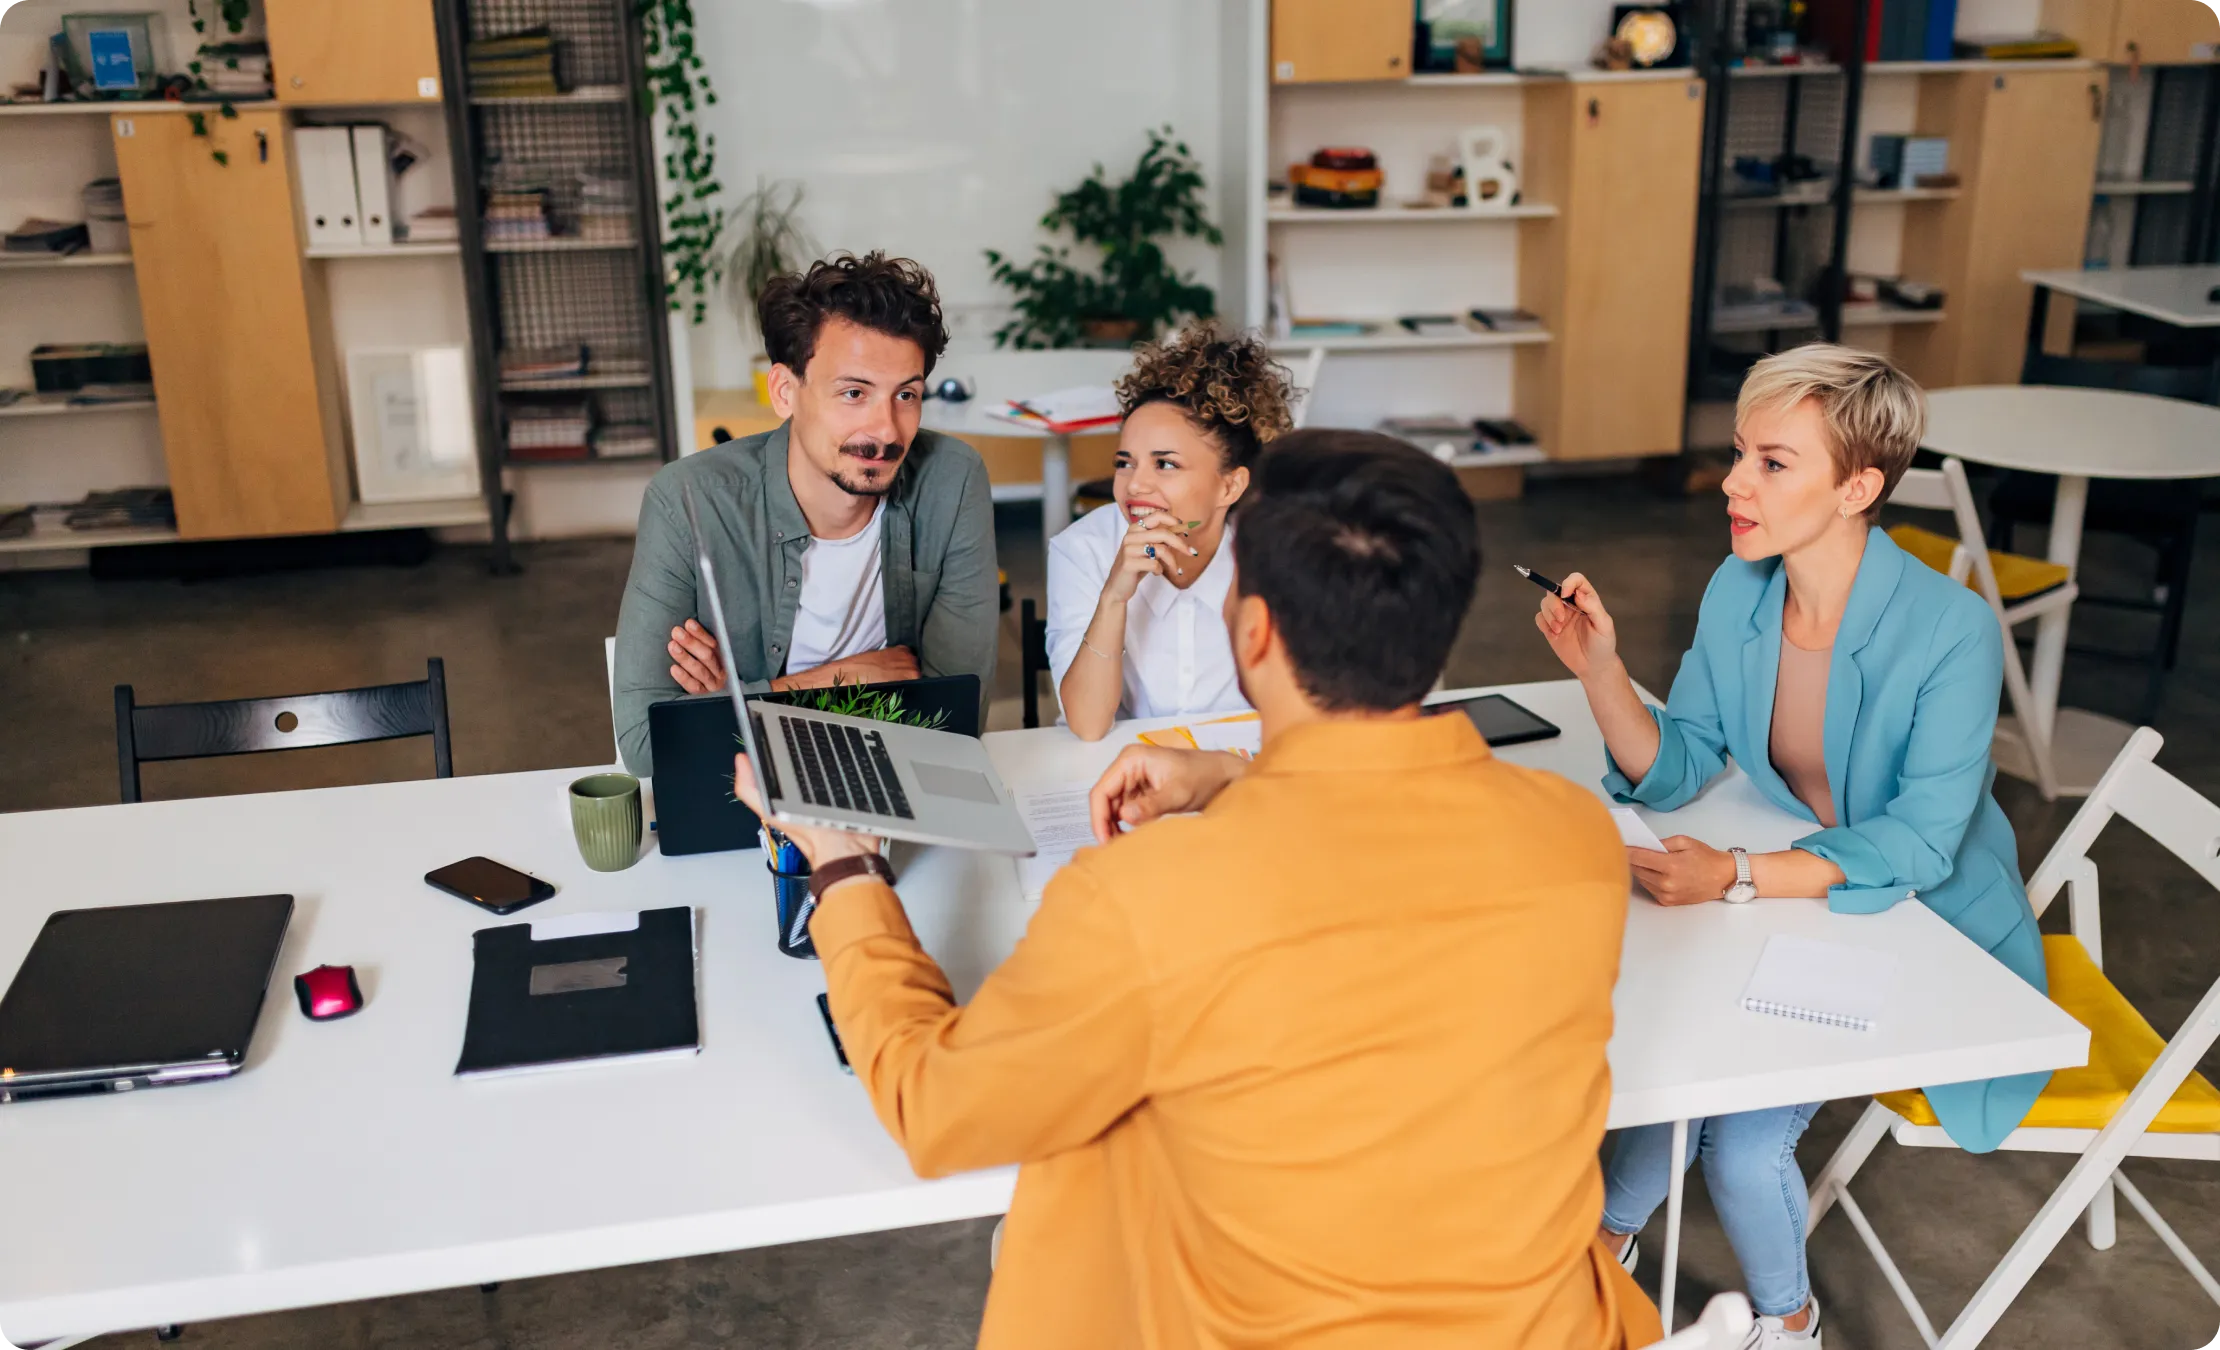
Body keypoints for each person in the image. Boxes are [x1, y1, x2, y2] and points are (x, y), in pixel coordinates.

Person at [733, 430, 1661, 1349]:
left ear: (1251, 630)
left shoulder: (1146, 895)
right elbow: (1383, 852)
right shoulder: (1572, 837)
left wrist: (841, 858)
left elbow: (937, 1110)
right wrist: (1233, 775)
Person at [1534, 344, 2047, 1350]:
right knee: (1670, 1058)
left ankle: (1789, 1324)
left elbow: (1920, 842)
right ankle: (1602, 1253)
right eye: (1738, 453)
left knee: (1741, 1141)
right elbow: (1682, 761)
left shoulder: (1952, 631)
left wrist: (1730, 876)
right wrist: (1602, 671)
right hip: (1793, 894)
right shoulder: (1742, 587)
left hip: (1915, 921)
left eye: (1772, 462)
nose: (1732, 481)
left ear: (1859, 487)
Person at [612, 252, 997, 775]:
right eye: (854, 393)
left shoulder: (953, 480)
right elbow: (644, 742)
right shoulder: (687, 499)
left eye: (906, 394)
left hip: (893, 778)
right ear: (785, 392)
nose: (885, 429)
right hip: (743, 796)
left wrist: (731, 701)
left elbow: (958, 717)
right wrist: (839, 682)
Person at [1046, 323, 1295, 740]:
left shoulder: (1276, 554)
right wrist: (1114, 596)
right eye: (1125, 462)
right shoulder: (1082, 549)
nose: (1135, 485)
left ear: (1230, 485)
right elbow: (1088, 726)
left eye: (1165, 464)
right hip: (1115, 770)